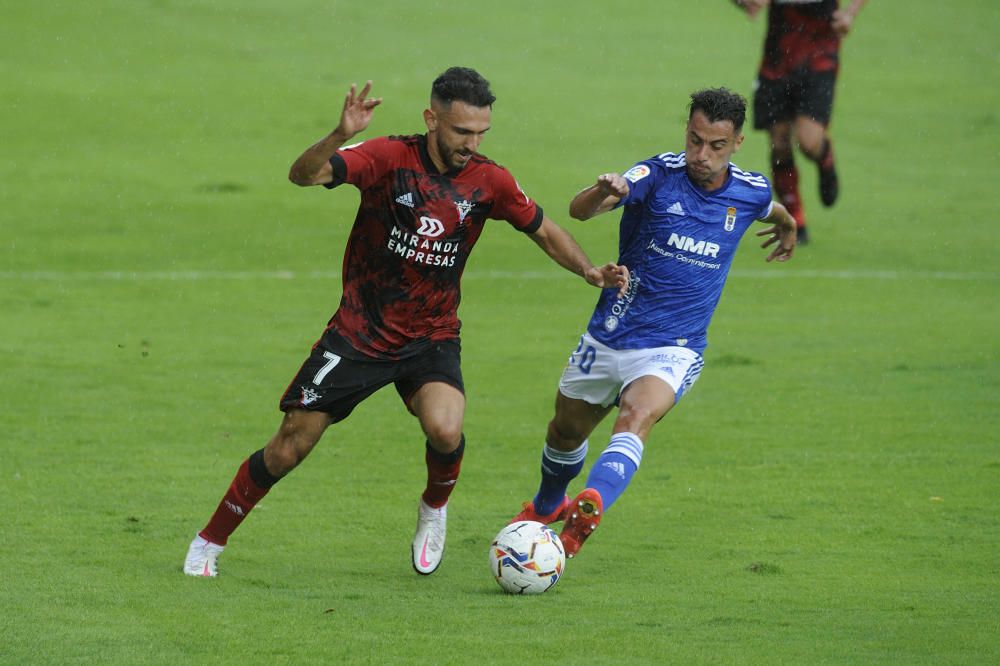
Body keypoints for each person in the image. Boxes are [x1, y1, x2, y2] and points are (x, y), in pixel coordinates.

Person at [183, 67, 628, 577]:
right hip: (360, 333)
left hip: (431, 336)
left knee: (446, 428)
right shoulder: (386, 158)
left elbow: (545, 230)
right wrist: (341, 135)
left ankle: (434, 509)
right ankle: (209, 541)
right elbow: (302, 175)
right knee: (290, 446)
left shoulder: (489, 180)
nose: (472, 143)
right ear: (431, 118)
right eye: (462, 131)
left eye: (481, 132)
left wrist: (588, 269)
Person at [509, 88, 797, 559]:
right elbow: (579, 212)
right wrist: (608, 190)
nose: (701, 155)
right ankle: (547, 505)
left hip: (675, 346)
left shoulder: (750, 190)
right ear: (687, 132)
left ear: (738, 142)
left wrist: (787, 228)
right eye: (694, 140)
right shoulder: (658, 174)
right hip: (612, 331)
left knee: (637, 415)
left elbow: (773, 209)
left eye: (716, 146)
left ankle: (593, 502)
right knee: (564, 431)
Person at [735, 0, 868, 244]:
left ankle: (824, 158)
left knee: (808, 142)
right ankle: (794, 217)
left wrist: (850, 13)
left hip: (819, 58)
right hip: (776, 59)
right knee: (780, 143)